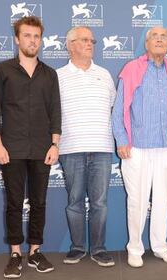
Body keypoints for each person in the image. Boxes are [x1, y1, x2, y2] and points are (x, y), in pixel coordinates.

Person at [0, 16, 61, 278]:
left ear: (41, 40)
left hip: (43, 148)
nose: (32, 40)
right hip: (12, 148)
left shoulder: (50, 74)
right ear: (17, 39)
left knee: (40, 202)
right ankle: (16, 253)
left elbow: (55, 112)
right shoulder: (2, 70)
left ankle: (35, 251)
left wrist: (55, 144)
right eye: (27, 35)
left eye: (36, 36)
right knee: (14, 203)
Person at [112, 26, 167, 268]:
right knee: (137, 200)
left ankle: (161, 246)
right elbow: (119, 108)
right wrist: (121, 140)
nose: (160, 40)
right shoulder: (132, 69)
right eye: (155, 36)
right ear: (146, 43)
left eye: (164, 37)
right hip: (138, 147)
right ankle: (135, 248)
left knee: (163, 199)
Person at [57, 26, 116, 267]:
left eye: (92, 40)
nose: (90, 43)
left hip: (101, 147)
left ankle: (99, 249)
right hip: (71, 148)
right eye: (83, 40)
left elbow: (113, 106)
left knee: (100, 202)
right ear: (70, 45)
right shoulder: (57, 76)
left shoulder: (105, 74)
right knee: (75, 201)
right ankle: (78, 247)